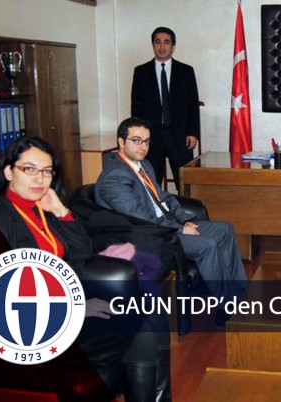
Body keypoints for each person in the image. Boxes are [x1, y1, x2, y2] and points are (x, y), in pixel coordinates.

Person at [0, 136, 171, 402]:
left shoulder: (41, 208)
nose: (40, 179)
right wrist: (74, 307)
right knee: (142, 323)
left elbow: (82, 252)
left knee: (147, 311)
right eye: (30, 169)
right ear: (8, 172)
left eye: (47, 171)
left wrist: (61, 211)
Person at [94, 117, 248, 326]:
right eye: (136, 140)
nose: (143, 147)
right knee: (207, 244)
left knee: (224, 228)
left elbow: (164, 197)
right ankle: (226, 306)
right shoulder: (114, 178)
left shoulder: (143, 165)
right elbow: (141, 218)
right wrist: (180, 230)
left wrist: (185, 220)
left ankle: (238, 288)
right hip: (149, 235)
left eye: (146, 141)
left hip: (167, 225)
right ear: (121, 142)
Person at [131, 26, 200, 191]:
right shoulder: (141, 72)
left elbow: (192, 104)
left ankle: (185, 208)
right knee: (150, 182)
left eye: (166, 42)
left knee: (185, 183)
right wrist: (138, 136)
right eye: (158, 42)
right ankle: (155, 208)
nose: (162, 47)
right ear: (153, 45)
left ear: (173, 46)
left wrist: (193, 132)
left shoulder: (186, 71)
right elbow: (136, 106)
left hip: (180, 136)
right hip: (151, 137)